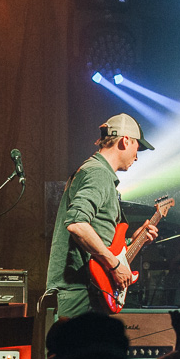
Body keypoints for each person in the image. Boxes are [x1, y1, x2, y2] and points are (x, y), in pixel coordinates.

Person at [46, 114, 158, 318]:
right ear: (126, 141)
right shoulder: (98, 173)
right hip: (80, 290)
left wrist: (133, 240)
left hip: (90, 288)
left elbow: (97, 237)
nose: (137, 157)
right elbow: (77, 224)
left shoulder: (96, 172)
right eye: (137, 147)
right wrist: (115, 265)